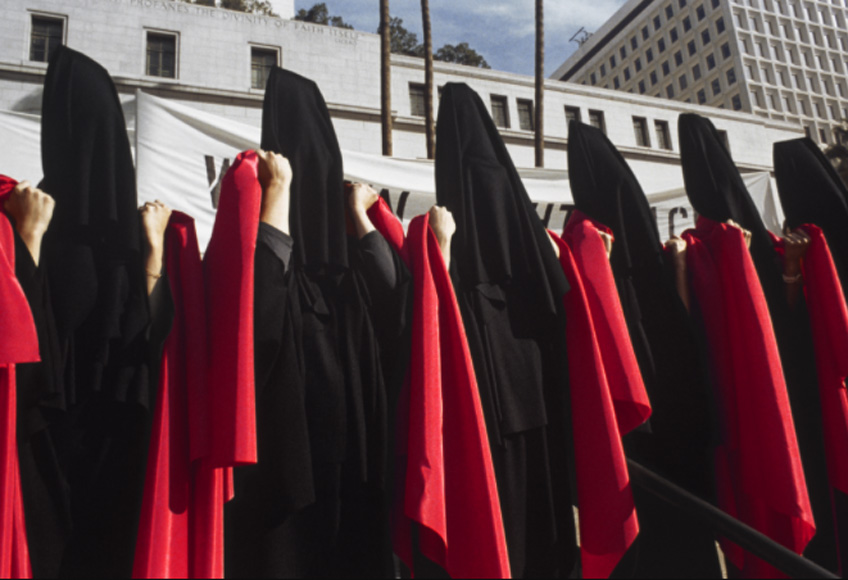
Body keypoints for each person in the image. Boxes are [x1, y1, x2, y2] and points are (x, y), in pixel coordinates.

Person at [222, 67, 410, 578]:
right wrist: (276, 199)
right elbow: (254, 328)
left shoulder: (351, 271)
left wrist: (360, 215)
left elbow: (397, 301)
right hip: (288, 511)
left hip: (357, 492)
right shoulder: (264, 251)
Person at [435, 82, 576, 578]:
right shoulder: (501, 182)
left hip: (494, 362)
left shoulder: (460, 184)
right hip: (523, 366)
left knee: (510, 515)